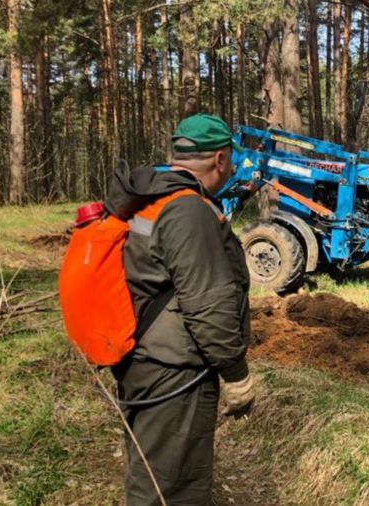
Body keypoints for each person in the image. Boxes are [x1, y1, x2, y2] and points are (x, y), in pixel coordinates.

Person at [105, 114, 258, 505]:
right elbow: (208, 302)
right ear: (221, 160)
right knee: (172, 487)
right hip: (174, 374)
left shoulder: (155, 196)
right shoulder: (188, 211)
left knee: (150, 469)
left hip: (143, 359)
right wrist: (236, 374)